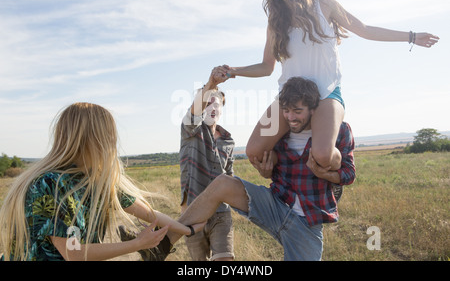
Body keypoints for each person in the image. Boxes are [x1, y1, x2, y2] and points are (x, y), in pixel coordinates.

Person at [216, 0, 439, 172]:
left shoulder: (325, 5)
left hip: (327, 94)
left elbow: (365, 30)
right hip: (289, 97)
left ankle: (337, 172)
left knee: (323, 155)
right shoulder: (275, 22)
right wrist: (235, 71)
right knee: (253, 151)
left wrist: (411, 36)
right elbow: (266, 67)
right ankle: (288, 176)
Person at [166, 77, 356, 261]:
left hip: (308, 222)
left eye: (297, 111)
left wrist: (327, 174)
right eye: (286, 111)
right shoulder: (280, 131)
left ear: (313, 109)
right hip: (276, 206)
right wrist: (266, 172)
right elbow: (271, 169)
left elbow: (349, 174)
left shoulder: (338, 131)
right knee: (223, 183)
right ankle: (164, 242)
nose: (291, 117)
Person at [0, 102, 203, 261]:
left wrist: (188, 229)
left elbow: (148, 213)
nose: (112, 142)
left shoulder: (95, 179)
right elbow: (74, 253)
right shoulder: (50, 185)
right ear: (91, 138)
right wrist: (138, 244)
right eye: (108, 135)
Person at [178, 67, 235, 261]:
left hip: (221, 213)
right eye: (206, 102)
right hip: (193, 213)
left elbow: (229, 176)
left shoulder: (228, 141)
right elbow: (194, 114)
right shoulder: (190, 130)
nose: (211, 108)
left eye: (216, 104)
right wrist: (211, 85)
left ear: (221, 108)